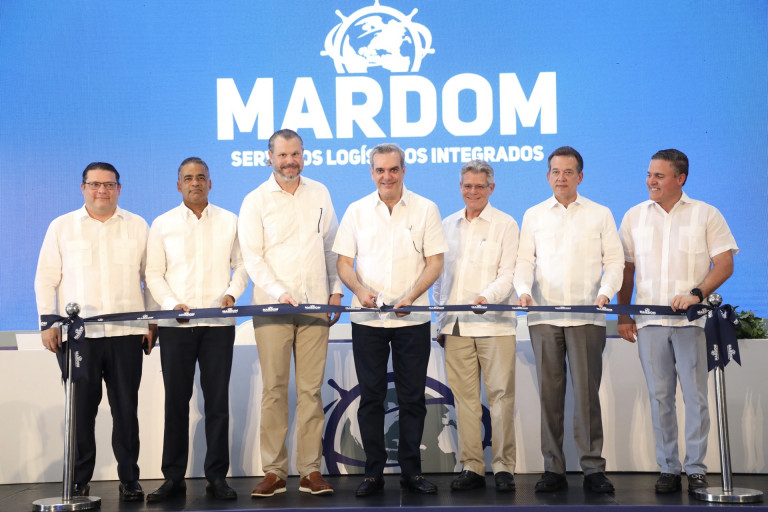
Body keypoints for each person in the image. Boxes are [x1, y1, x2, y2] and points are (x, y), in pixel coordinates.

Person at [617, 149, 738, 495]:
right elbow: (626, 270)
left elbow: (724, 264)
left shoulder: (706, 214)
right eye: (649, 174)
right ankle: (668, 468)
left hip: (693, 323)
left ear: (680, 178)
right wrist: (623, 314)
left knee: (696, 397)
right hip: (650, 323)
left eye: (659, 175)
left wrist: (697, 293)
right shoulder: (634, 216)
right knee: (660, 397)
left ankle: (696, 468)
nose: (650, 181)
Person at [34, 162, 157, 501]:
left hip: (126, 333)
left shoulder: (138, 225)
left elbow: (150, 278)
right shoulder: (61, 226)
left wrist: (151, 322)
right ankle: (78, 480)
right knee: (81, 412)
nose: (102, 190)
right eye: (95, 184)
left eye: (109, 184)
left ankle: (129, 478)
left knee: (126, 410)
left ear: (119, 188)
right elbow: (46, 278)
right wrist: (48, 323)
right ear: (83, 187)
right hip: (79, 339)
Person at [333, 143, 447, 497]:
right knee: (371, 399)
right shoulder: (356, 211)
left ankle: (412, 472)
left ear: (403, 170)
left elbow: (435, 262)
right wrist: (360, 291)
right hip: (368, 320)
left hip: (412, 319)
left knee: (412, 399)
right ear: (372, 173)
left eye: (393, 169)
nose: (387, 176)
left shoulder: (426, 208)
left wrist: (411, 296)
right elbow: (343, 263)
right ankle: (372, 474)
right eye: (380, 170)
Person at [238, 129, 342, 498]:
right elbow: (252, 257)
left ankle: (311, 470)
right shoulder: (255, 200)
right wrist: (279, 292)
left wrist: (335, 290)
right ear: (269, 158)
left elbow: (331, 247)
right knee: (274, 390)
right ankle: (274, 472)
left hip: (315, 306)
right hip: (272, 308)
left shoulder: (320, 193)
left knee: (311, 391)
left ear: (303, 155)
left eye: (295, 154)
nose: (289, 161)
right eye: (282, 155)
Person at [513, 146, 623, 494]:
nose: (561, 178)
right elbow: (524, 262)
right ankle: (553, 468)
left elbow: (614, 261)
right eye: (555, 172)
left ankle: (593, 468)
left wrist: (605, 293)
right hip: (544, 316)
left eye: (568, 172)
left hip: (588, 316)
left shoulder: (600, 213)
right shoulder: (533, 215)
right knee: (550, 396)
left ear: (580, 176)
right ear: (548, 176)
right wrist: (523, 290)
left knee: (587, 396)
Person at [144, 157, 248, 502]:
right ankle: (173, 478)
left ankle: (217, 477)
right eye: (188, 178)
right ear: (179, 185)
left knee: (217, 403)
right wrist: (171, 303)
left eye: (201, 177)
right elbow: (153, 273)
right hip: (176, 326)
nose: (195, 183)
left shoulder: (230, 221)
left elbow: (242, 265)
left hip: (218, 324)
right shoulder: (162, 224)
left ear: (210, 183)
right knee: (176, 403)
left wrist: (232, 293)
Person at [433, 160, 519, 492]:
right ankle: (472, 466)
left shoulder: (506, 224)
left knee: (501, 398)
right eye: (467, 186)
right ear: (460, 187)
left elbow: (509, 275)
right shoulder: (447, 225)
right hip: (456, 327)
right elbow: (440, 278)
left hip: (495, 324)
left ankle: (504, 467)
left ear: (491, 188)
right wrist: (440, 322)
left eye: (480, 186)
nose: (473, 192)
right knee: (465, 401)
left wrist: (487, 297)